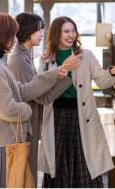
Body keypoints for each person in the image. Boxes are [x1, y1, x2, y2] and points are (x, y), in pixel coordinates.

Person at [0, 13, 81, 188]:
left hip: (4, 144)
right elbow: (7, 109)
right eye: (12, 34)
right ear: (1, 35)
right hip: (0, 147)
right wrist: (28, 110)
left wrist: (58, 72)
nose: (15, 39)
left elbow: (22, 89)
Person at [38, 16, 115, 188]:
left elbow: (102, 81)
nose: (71, 35)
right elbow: (41, 89)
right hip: (56, 119)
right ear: (57, 34)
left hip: (81, 117)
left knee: (85, 162)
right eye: (66, 31)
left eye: (73, 31)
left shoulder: (85, 56)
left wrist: (112, 72)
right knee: (58, 163)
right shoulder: (46, 60)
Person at [8, 12, 70, 182]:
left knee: (29, 172)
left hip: (30, 122)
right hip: (26, 125)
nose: (42, 34)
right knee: (27, 173)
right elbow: (37, 95)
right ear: (27, 31)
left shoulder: (24, 56)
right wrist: (62, 75)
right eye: (39, 30)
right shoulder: (19, 60)